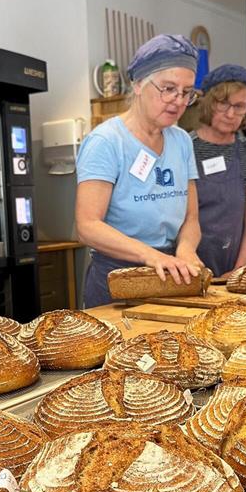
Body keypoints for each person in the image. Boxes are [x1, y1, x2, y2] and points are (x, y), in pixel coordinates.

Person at [75, 34, 203, 307]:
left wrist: (186, 249)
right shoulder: (106, 142)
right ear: (138, 84)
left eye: (187, 92)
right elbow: (87, 226)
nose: (178, 101)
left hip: (170, 272)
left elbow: (191, 217)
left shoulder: (182, 141)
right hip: (116, 276)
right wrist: (150, 255)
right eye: (168, 88)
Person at [191, 64, 246, 276]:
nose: (231, 114)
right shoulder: (184, 147)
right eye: (223, 104)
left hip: (233, 266)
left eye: (239, 106)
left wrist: (238, 271)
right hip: (189, 267)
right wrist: (194, 268)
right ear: (208, 102)